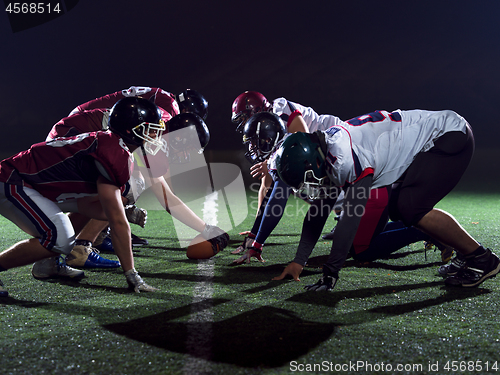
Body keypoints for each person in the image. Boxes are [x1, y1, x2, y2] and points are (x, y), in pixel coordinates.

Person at [275, 109, 500, 290]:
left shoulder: (345, 158)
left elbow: (350, 219)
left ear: (312, 162)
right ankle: (465, 254)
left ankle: (481, 258)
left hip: (448, 137)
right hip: (439, 137)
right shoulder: (326, 149)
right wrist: (299, 261)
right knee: (400, 209)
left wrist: (330, 273)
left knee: (410, 208)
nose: (308, 189)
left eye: (307, 181)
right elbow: (319, 211)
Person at [31, 91, 227, 279]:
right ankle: (78, 247)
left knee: (125, 183)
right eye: (188, 149)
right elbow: (165, 197)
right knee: (128, 185)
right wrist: (206, 228)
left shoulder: (161, 127)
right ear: (179, 138)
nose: (186, 156)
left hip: (81, 135)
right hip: (72, 138)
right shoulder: (155, 134)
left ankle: (73, 246)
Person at [0, 97, 165, 297]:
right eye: (150, 129)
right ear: (131, 129)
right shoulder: (112, 152)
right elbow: (117, 223)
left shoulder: (112, 146)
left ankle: (48, 262)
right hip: (12, 180)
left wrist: (123, 211)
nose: (155, 135)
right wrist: (131, 273)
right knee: (59, 238)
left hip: (34, 185)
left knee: (111, 201)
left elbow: (85, 205)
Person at [230, 91, 344, 263]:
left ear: (255, 111)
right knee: (288, 178)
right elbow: (266, 185)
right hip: (320, 149)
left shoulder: (280, 113)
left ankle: (347, 214)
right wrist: (256, 231)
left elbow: (304, 144)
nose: (244, 124)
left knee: (296, 177)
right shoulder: (270, 125)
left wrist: (270, 162)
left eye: (244, 118)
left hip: (333, 139)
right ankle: (343, 215)